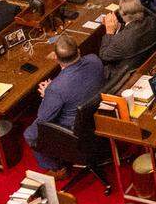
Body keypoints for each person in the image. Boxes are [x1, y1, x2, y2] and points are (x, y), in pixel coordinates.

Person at [25, 35, 105, 173]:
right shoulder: (95, 59)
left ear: (55, 57)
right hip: (99, 117)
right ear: (78, 51)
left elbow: (44, 119)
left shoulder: (56, 88)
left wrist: (46, 95)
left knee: (30, 134)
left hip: (75, 130)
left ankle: (56, 169)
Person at [99, 0, 156, 79]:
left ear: (121, 14)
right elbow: (132, 30)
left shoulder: (121, 40)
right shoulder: (152, 21)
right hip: (146, 61)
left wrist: (109, 32)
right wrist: (119, 27)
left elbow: (104, 56)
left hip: (124, 75)